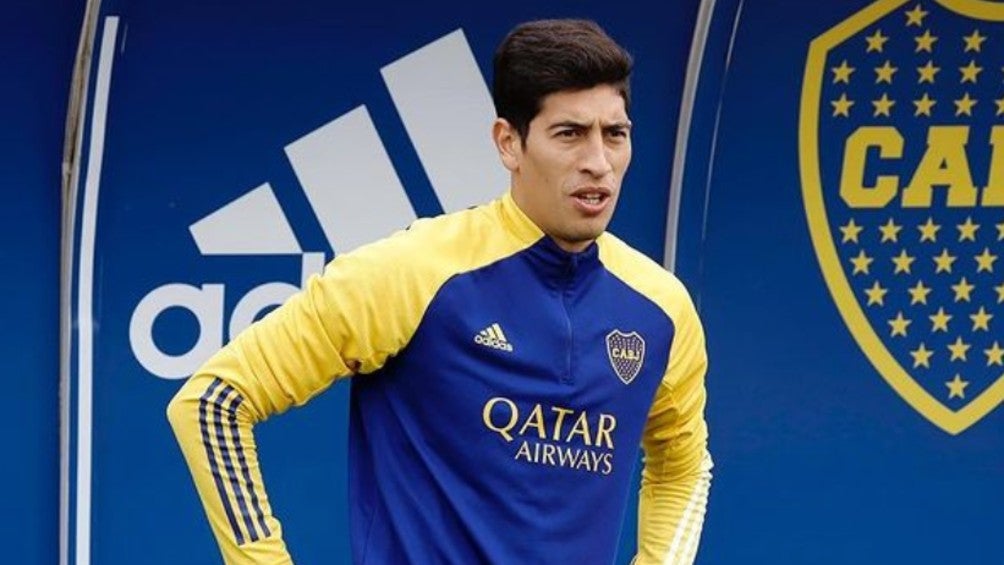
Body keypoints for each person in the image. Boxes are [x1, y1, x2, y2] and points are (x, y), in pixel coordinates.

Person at [168, 18, 712, 564]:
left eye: (615, 134)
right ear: (509, 143)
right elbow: (214, 402)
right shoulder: (415, 271)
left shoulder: (661, 307)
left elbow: (684, 465)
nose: (598, 162)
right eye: (569, 134)